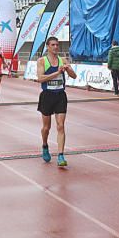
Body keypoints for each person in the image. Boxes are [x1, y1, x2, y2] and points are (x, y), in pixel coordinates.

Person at [37, 36, 76, 167]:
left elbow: (74, 76)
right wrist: (56, 73)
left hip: (60, 95)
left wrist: (68, 69)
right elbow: (40, 78)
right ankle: (45, 145)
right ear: (48, 46)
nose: (55, 47)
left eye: (57, 45)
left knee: (60, 126)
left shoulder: (62, 59)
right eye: (53, 45)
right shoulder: (42, 61)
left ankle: (60, 155)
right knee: (46, 128)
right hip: (47, 96)